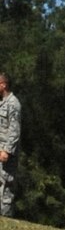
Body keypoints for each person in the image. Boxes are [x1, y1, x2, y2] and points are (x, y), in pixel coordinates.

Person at [0, 72, 20, 217]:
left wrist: (7, 151)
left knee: (6, 188)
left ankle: (5, 219)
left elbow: (14, 129)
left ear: (4, 85)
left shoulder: (13, 104)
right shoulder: (2, 103)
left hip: (6, 154)